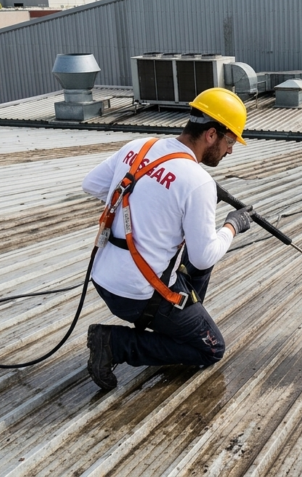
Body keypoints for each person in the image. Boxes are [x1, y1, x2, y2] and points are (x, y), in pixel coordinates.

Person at [80, 87, 253, 391]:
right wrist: (232, 226)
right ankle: (116, 344)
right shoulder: (197, 181)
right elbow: (202, 256)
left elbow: (91, 184)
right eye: (229, 141)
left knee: (197, 258)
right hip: (137, 296)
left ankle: (183, 320)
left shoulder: (139, 146)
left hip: (104, 278)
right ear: (211, 134)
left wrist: (147, 214)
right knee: (210, 349)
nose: (230, 151)